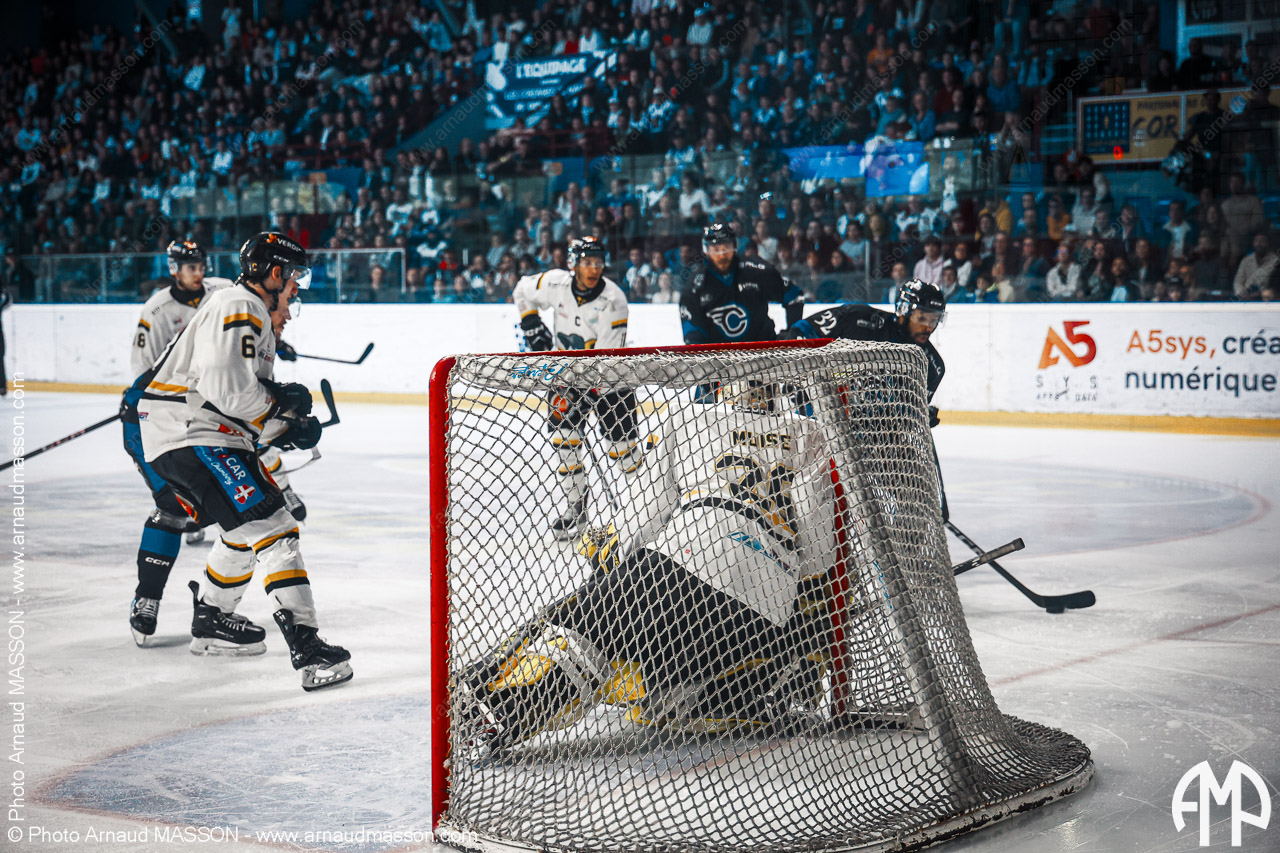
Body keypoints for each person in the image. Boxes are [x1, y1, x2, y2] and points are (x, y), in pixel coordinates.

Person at [454, 382, 836, 757]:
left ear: (722, 385)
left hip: (685, 561)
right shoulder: (810, 433)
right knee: (655, 645)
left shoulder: (691, 417)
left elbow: (644, 513)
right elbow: (819, 551)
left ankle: (494, 707)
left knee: (574, 627)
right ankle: (698, 696)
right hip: (766, 610)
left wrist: (609, 555)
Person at [138, 232, 352, 692]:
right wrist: (279, 405)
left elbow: (235, 405)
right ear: (274, 273)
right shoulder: (241, 304)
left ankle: (212, 619)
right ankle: (308, 648)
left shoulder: (247, 313)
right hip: (192, 433)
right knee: (275, 526)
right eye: (292, 281)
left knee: (242, 530)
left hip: (193, 433)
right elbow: (229, 393)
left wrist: (286, 428)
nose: (292, 299)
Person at [513, 236, 641, 540]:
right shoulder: (555, 283)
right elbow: (521, 289)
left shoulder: (614, 300)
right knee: (564, 444)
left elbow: (607, 359)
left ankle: (647, 507)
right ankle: (576, 506)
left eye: (598, 262)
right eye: (587, 262)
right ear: (573, 264)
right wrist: (531, 322)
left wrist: (584, 389)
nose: (594, 269)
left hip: (611, 381)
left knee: (623, 453)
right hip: (567, 377)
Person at [123, 241, 215, 645]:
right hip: (153, 420)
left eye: (201, 265)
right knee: (171, 506)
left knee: (233, 505)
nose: (199, 272)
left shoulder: (219, 293)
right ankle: (147, 598)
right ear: (174, 268)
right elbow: (143, 377)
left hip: (202, 419)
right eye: (190, 266)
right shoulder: (157, 310)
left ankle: (217, 608)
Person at [781, 279, 946, 407]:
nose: (928, 327)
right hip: (825, 412)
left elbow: (909, 414)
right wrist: (796, 377)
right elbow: (802, 330)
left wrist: (923, 414)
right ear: (903, 310)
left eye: (934, 320)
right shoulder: (859, 318)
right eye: (922, 318)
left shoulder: (932, 367)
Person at [679, 223, 806, 346]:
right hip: (719, 357)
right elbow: (691, 327)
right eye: (716, 249)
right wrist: (699, 349)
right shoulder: (695, 285)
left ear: (735, 246)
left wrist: (792, 333)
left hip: (763, 351)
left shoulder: (757, 271)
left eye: (726, 248)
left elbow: (794, 295)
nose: (722, 255)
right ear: (706, 250)